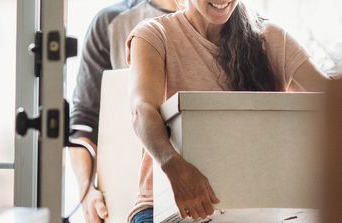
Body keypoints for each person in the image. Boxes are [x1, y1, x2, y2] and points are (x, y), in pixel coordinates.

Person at [127, 0, 331, 222]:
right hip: (166, 204)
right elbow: (142, 109)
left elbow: (331, 100)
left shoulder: (270, 37)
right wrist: (174, 165)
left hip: (258, 206)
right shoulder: (155, 34)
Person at [68, 1, 178, 222]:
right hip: (126, 198)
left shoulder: (227, 22)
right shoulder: (112, 22)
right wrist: (87, 189)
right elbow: (84, 121)